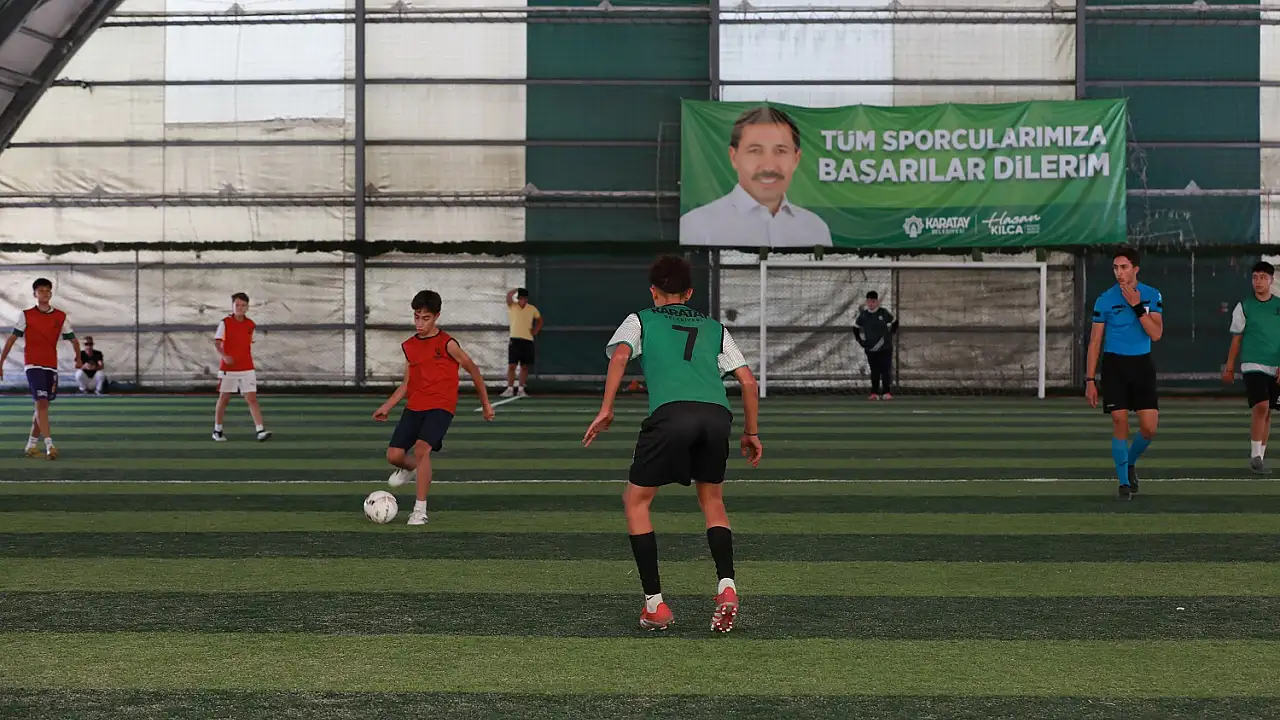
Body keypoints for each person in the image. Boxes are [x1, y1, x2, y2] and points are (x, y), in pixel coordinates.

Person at [583, 254, 763, 633]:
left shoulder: (640, 320)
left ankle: (655, 606)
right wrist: (751, 432)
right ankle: (727, 586)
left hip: (671, 415)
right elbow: (748, 382)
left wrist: (607, 408)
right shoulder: (715, 327)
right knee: (712, 500)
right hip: (716, 415)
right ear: (689, 293)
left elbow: (620, 356)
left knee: (636, 501)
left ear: (653, 292)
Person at [375, 290, 495, 526]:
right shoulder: (410, 346)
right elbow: (407, 383)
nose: (419, 323)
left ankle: (419, 511)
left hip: (441, 405)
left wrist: (486, 404)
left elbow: (473, 370)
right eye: (416, 317)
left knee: (422, 449)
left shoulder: (448, 344)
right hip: (416, 405)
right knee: (394, 455)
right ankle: (412, 469)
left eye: (426, 318)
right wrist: (387, 406)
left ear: (437, 316)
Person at [679, 106, 833, 249]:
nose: (769, 167)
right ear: (733, 157)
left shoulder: (816, 229)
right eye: (755, 151)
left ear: (796, 159)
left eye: (780, 151)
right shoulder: (697, 226)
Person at [1085, 247, 1163, 500]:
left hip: (1142, 365)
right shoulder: (1104, 299)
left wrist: (1137, 306)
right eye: (1115, 268)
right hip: (1115, 365)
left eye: (1124, 267)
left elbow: (1156, 334)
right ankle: (1123, 483)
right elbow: (1095, 341)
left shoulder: (1151, 295)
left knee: (1149, 428)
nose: (1119, 272)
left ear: (1135, 269)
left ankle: (1129, 462)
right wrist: (1090, 380)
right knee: (1119, 420)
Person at [0, 277, 82, 459]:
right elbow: (12, 339)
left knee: (42, 405)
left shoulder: (60, 316)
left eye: (47, 290)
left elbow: (74, 340)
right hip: (33, 364)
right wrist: (1, 362)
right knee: (41, 403)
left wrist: (78, 358)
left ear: (51, 293)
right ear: (34, 294)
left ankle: (30, 446)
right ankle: (49, 445)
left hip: (51, 366)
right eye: (41, 290)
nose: (44, 293)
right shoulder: (26, 315)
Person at [1222, 260, 1280, 474]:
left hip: (1275, 365)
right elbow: (1236, 339)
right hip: (1252, 363)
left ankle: (1260, 458)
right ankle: (1255, 456)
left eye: (1263, 277)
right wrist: (1229, 367)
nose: (1258, 281)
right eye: (1255, 277)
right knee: (1261, 406)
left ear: (1271, 280)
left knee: (1268, 411)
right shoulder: (1244, 306)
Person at [212, 292, 271, 442]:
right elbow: (217, 343)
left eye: (243, 305)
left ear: (247, 307)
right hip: (229, 368)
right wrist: (224, 355)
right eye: (237, 305)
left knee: (252, 398)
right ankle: (217, 430)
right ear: (232, 306)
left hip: (247, 367)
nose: (240, 308)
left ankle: (260, 430)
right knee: (224, 398)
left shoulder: (250, 324)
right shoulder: (225, 323)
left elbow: (249, 342)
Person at [854, 290, 899, 400]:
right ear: (866, 302)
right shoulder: (863, 315)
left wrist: (890, 334)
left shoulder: (883, 313)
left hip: (885, 347)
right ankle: (874, 393)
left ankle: (886, 392)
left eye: (873, 301)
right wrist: (860, 340)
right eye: (869, 301)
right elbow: (855, 327)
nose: (871, 304)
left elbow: (895, 322)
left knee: (885, 370)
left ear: (877, 302)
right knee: (874, 371)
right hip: (871, 348)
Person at [502, 287, 542, 398]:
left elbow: (539, 319)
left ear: (526, 299)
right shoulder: (513, 306)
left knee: (524, 366)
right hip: (515, 340)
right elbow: (508, 297)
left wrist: (536, 330)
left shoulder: (532, 309)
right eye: (520, 298)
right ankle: (510, 389)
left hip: (527, 340)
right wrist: (515, 289)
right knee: (512, 365)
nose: (522, 300)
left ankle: (521, 389)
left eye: (524, 298)